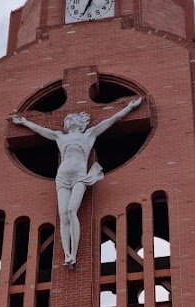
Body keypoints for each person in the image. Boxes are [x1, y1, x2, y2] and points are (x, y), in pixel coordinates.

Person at [10, 97, 143, 266]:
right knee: (63, 215)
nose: (70, 119)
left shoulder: (89, 134)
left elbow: (112, 120)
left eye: (74, 118)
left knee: (72, 211)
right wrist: (24, 122)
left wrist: (129, 108)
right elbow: (41, 130)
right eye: (68, 119)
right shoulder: (59, 136)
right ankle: (67, 254)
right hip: (62, 177)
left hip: (80, 176)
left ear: (81, 123)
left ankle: (74, 252)